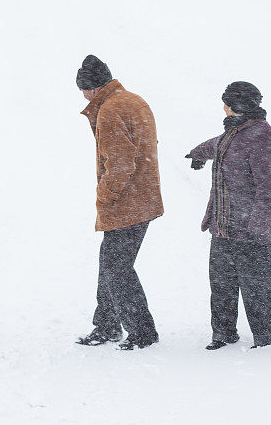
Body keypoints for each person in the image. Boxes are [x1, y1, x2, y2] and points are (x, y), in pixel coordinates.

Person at [185, 81, 271, 350]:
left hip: (252, 231)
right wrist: (198, 153)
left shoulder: (263, 138)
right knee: (221, 286)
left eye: (227, 104)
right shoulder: (235, 131)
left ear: (239, 106)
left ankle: (266, 339)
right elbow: (217, 144)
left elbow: (268, 188)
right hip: (224, 226)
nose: (224, 108)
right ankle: (223, 333)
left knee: (257, 289)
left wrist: (257, 227)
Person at [75, 54, 163, 351]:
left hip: (128, 203)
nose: (84, 96)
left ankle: (142, 333)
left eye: (84, 90)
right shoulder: (134, 100)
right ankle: (108, 325)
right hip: (144, 197)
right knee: (111, 265)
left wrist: (104, 196)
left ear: (93, 88)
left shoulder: (110, 111)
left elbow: (121, 164)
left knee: (117, 269)